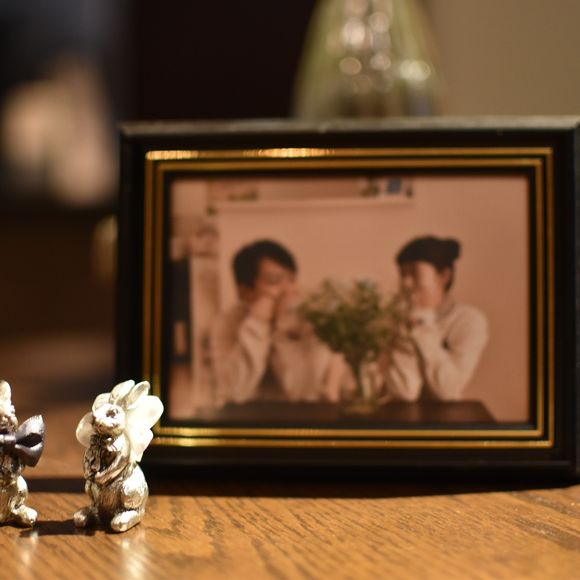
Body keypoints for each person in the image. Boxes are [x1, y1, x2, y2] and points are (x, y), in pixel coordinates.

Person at [210, 239, 345, 406]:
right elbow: (235, 391)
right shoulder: (228, 323)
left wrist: (284, 331)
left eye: (292, 279)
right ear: (245, 292)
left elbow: (304, 394)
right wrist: (257, 323)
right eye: (274, 281)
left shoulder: (309, 317)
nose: (289, 290)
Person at [380, 236, 489, 401]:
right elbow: (404, 392)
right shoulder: (393, 317)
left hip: (447, 414)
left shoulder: (469, 320)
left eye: (414, 273)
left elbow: (447, 390)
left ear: (444, 276)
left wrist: (422, 322)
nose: (406, 283)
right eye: (402, 274)